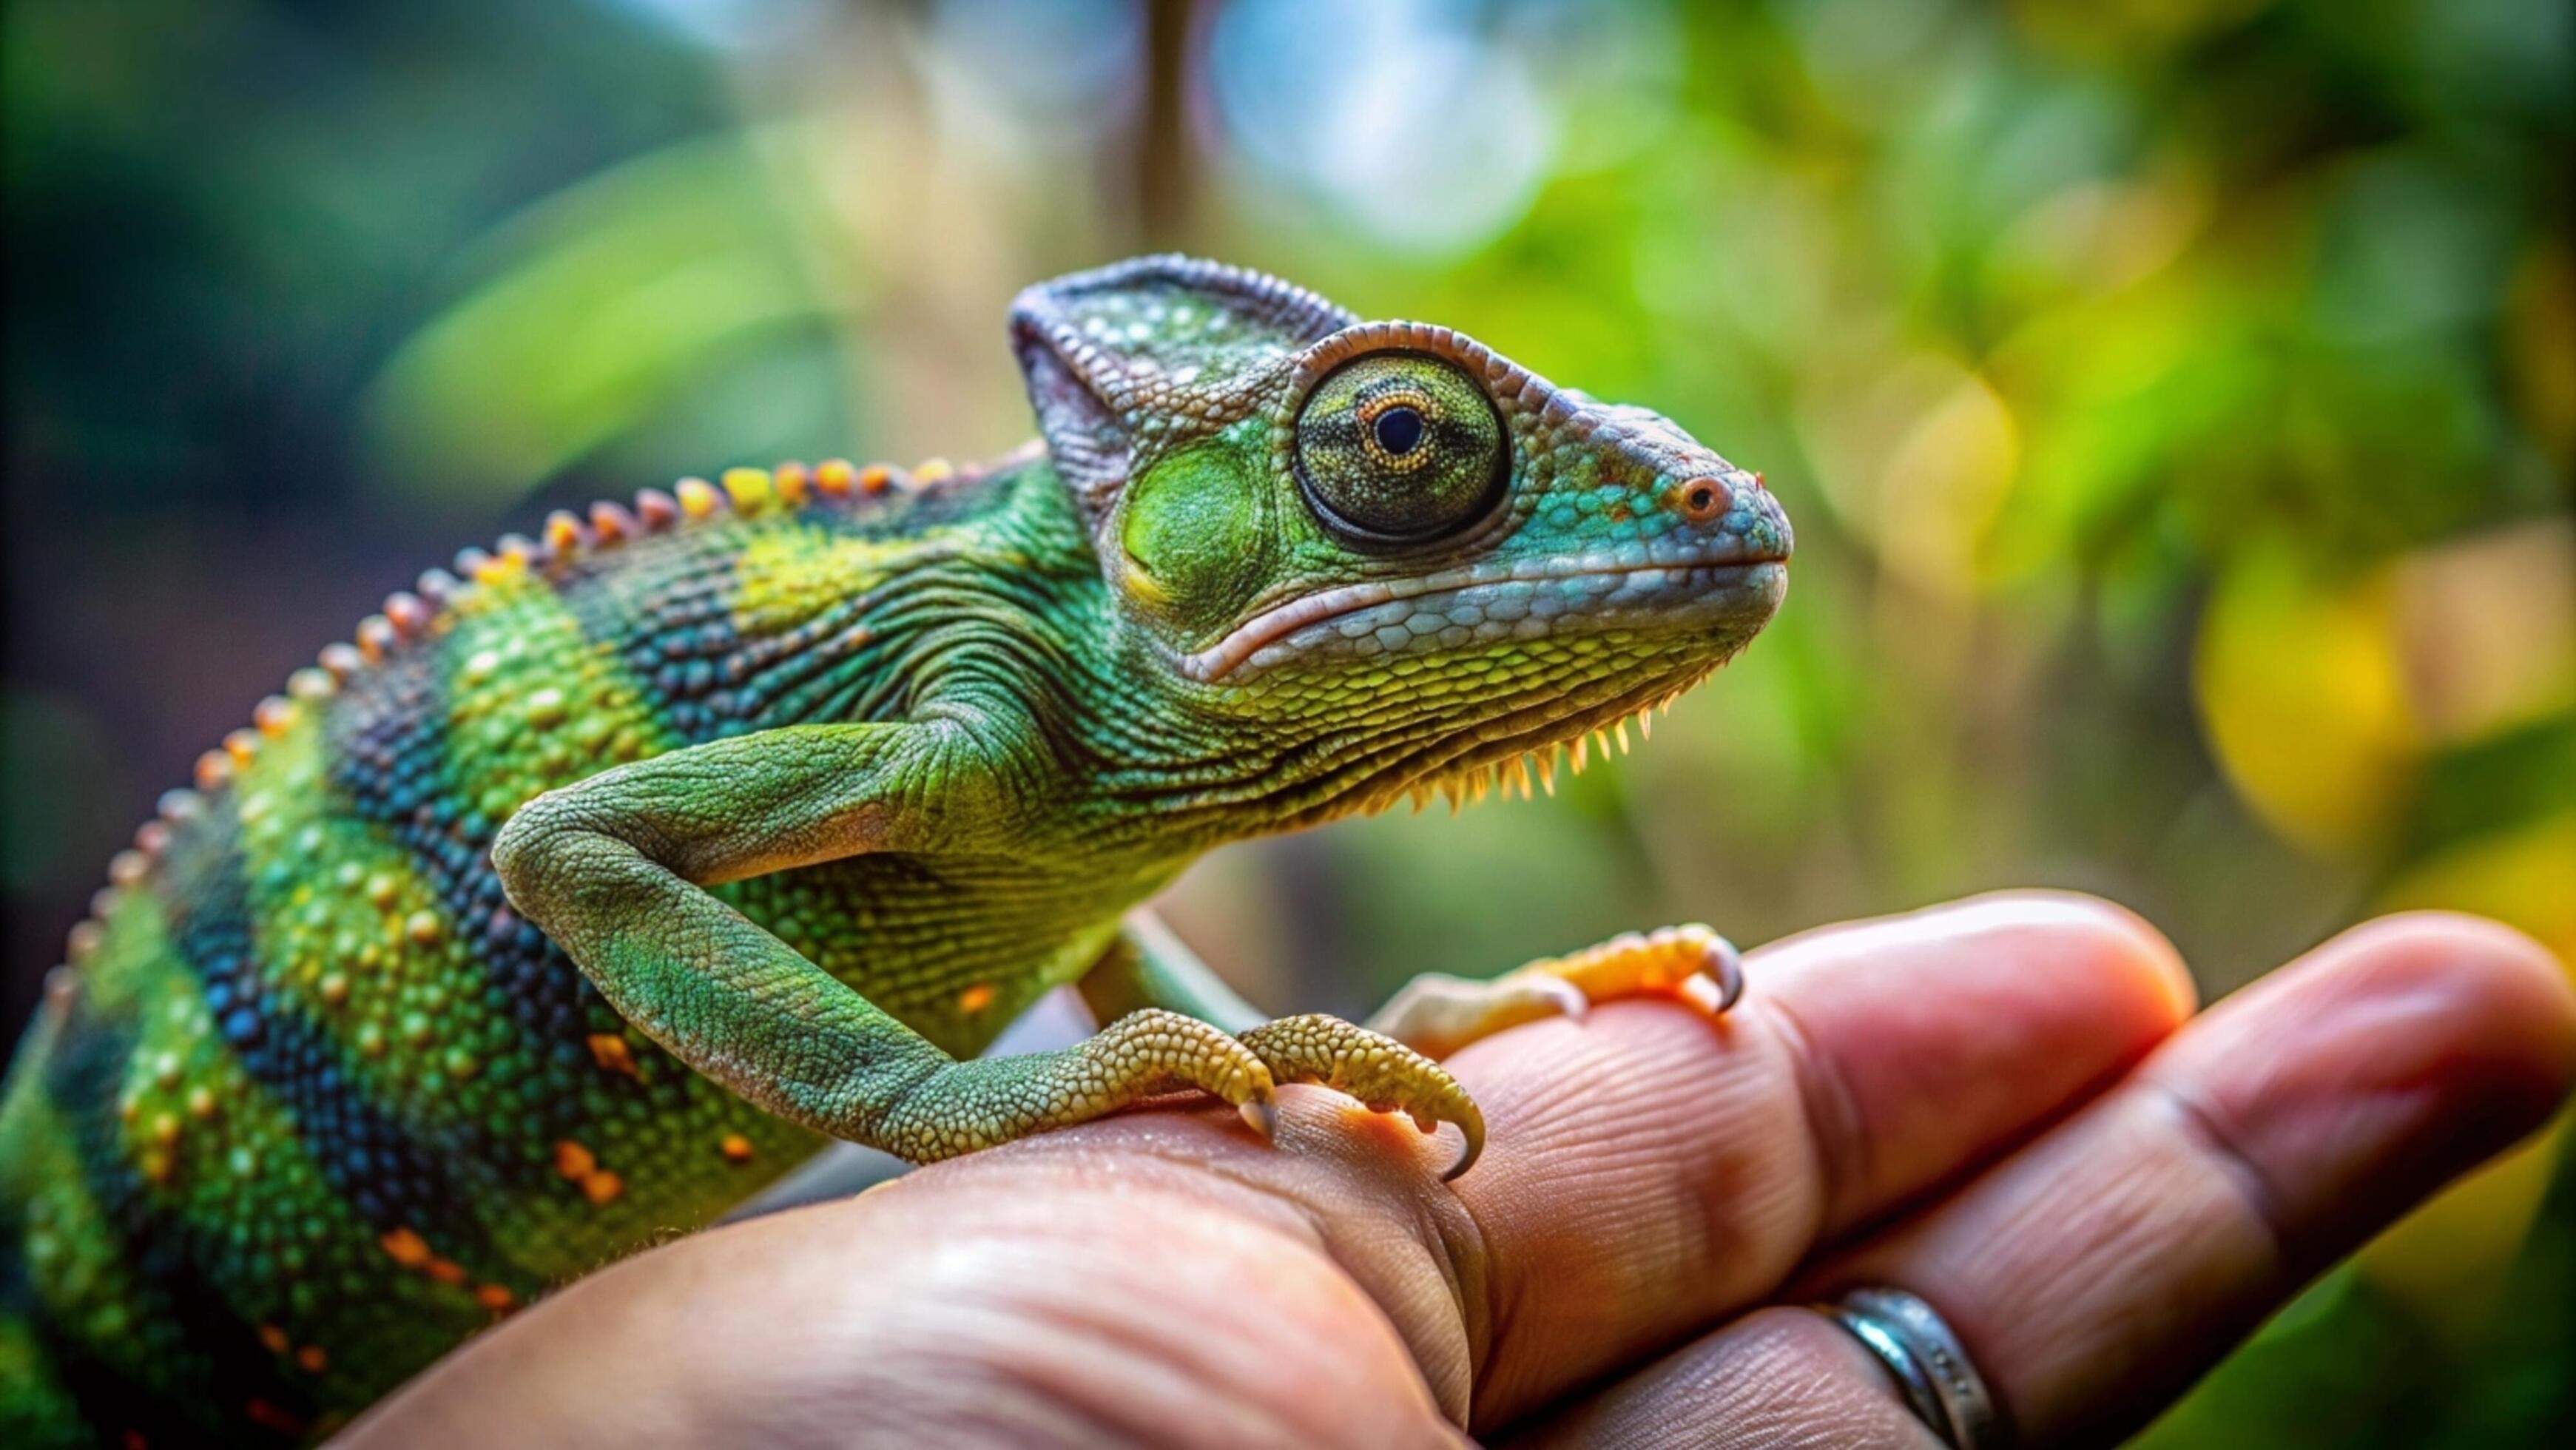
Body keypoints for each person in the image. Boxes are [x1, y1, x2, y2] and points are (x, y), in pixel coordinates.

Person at [344, 894, 2576, 1448]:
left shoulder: (1072, 759)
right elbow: (571, 846)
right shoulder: (987, 659)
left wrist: (1363, 1055)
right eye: (1408, 462)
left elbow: (1058, 892)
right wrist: (934, 1112)